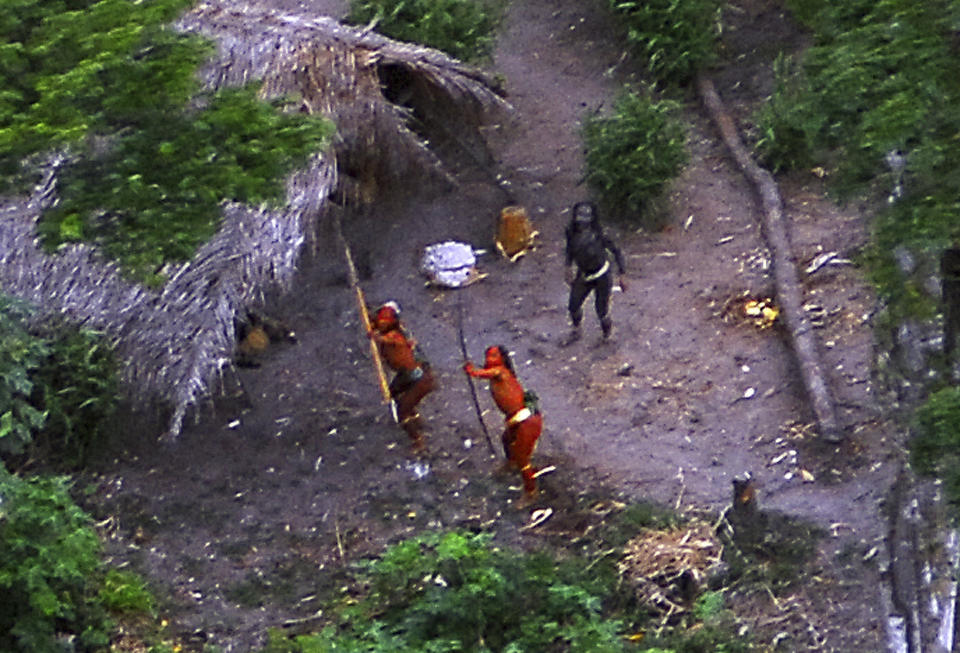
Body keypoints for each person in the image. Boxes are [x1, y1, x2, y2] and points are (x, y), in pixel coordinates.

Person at [464, 345, 543, 502]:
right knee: (507, 440)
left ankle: (531, 491)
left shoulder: (500, 371)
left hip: (527, 421)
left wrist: (472, 371)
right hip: (515, 420)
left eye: (494, 356)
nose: (489, 359)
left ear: (502, 359)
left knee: (523, 459)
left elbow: (482, 374)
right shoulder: (496, 374)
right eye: (488, 356)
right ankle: (511, 463)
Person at [368, 301, 435, 450]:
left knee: (402, 410)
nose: (382, 321)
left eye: (386, 319)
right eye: (381, 317)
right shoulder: (386, 330)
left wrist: (375, 336)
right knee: (394, 395)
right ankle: (415, 419)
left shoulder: (396, 335)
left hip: (417, 376)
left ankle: (418, 440)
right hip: (406, 375)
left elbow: (386, 339)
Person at [563, 201, 627, 343]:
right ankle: (576, 329)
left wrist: (622, 274)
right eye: (580, 220)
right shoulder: (571, 232)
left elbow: (616, 251)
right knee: (573, 304)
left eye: (585, 221)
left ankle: (607, 335)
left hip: (602, 276)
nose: (582, 224)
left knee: (601, 310)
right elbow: (569, 250)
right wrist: (568, 267)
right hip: (584, 274)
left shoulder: (600, 234)